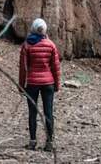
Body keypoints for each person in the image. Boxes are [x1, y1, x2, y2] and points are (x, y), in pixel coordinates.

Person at [18, 18, 61, 151]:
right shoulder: (51, 45)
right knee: (48, 112)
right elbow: (55, 67)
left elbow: (23, 68)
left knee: (32, 112)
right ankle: (49, 143)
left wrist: (21, 85)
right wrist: (57, 84)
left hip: (32, 83)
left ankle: (32, 142)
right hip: (48, 83)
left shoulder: (27, 45)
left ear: (33, 28)